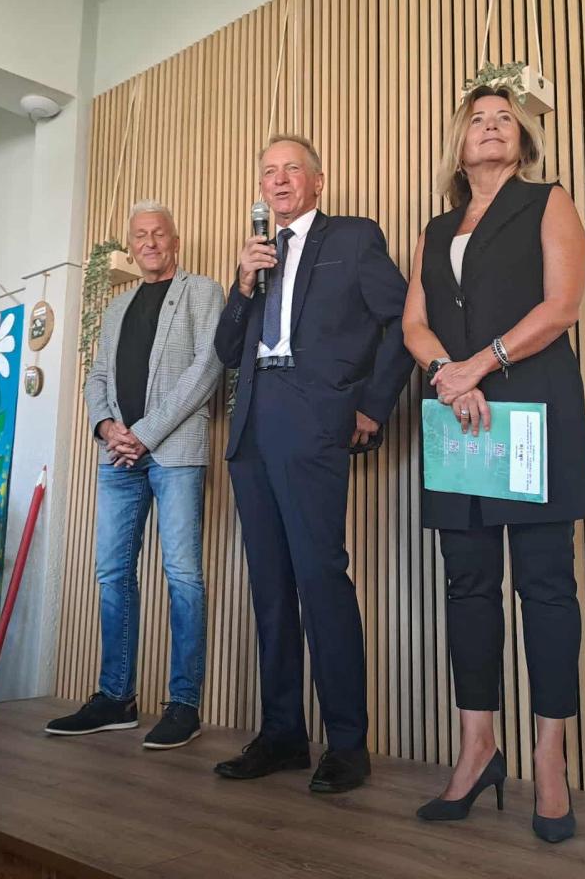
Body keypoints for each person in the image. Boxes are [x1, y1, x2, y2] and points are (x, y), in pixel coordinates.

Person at [401, 84, 585, 842]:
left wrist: (475, 366)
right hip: (459, 419)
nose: (491, 128)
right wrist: (447, 376)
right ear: (460, 145)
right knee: (468, 586)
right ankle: (478, 748)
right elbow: (415, 323)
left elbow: (562, 306)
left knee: (545, 587)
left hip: (534, 412)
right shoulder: (435, 228)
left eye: (504, 120)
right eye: (478, 120)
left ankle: (550, 761)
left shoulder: (548, 202)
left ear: (523, 139)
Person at [212, 135, 413, 793]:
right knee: (269, 588)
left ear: (317, 181)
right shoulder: (257, 255)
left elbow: (403, 321)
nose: (278, 180)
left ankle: (347, 744)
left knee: (321, 579)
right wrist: (242, 284)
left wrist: (372, 405)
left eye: (291, 169)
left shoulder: (352, 238)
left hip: (314, 421)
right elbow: (226, 350)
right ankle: (282, 734)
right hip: (253, 426)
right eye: (268, 172)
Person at [46, 200, 224, 749]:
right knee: (112, 573)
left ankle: (184, 704)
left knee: (183, 575)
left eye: (159, 233)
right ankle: (116, 698)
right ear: (131, 245)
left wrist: (144, 432)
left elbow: (207, 369)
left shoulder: (203, 292)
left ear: (175, 241)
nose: (149, 242)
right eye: (140, 235)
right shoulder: (117, 306)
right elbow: (97, 376)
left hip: (174, 452)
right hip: (118, 456)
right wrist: (106, 427)